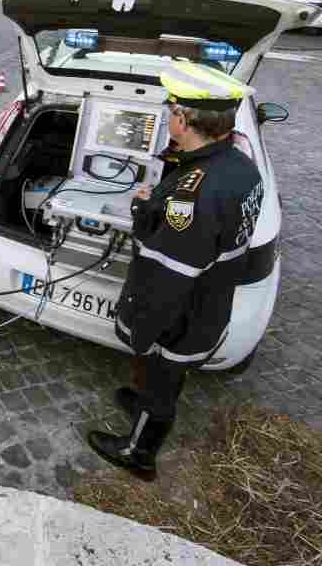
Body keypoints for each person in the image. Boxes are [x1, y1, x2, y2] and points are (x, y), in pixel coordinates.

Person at [86, 62, 264, 481]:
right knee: (164, 377)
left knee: (164, 379)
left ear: (183, 119)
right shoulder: (240, 166)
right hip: (210, 300)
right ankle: (143, 401)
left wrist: (143, 330)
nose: (167, 117)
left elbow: (170, 274)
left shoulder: (195, 193)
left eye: (170, 111)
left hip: (181, 315)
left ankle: (138, 453)